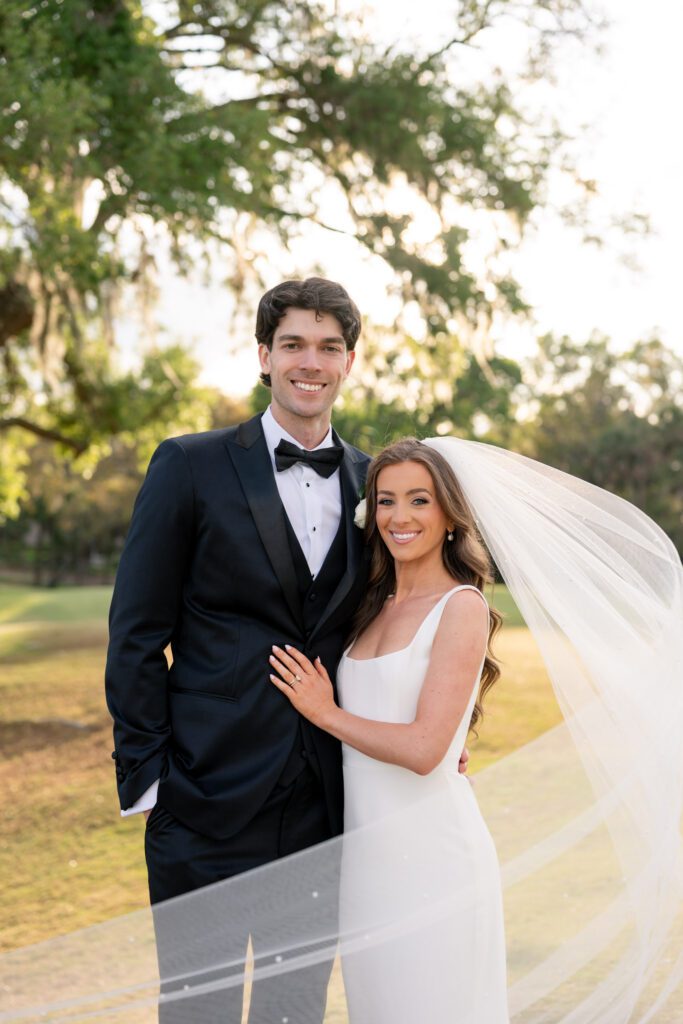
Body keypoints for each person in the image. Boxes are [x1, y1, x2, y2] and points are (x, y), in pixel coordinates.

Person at [106, 279, 470, 1022]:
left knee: (295, 1008)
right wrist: (150, 781)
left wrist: (451, 722)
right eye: (294, 345)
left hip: (326, 808)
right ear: (264, 357)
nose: (311, 362)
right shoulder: (189, 465)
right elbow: (136, 633)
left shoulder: (378, 485)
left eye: (328, 347)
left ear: (349, 362)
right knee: (198, 1009)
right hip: (201, 797)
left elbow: (413, 611)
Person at [270, 438, 510, 1022]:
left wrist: (325, 712)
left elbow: (426, 750)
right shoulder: (370, 604)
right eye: (386, 500)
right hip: (368, 863)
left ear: (450, 515)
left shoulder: (461, 607)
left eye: (419, 500)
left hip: (433, 858)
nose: (400, 517)